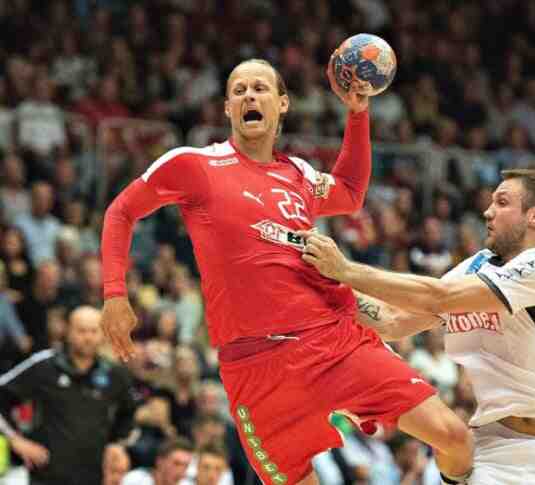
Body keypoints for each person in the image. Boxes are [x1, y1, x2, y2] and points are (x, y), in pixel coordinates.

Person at [100, 57, 474, 485]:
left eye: (259, 88)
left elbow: (350, 193)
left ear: (282, 104)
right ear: (227, 109)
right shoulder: (195, 164)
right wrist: (114, 294)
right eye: (238, 91)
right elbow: (121, 212)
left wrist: (357, 113)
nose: (249, 96)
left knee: (454, 436)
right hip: (255, 367)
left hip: (331, 342)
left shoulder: (298, 174)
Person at [300, 169, 535, 484]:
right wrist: (317, 286)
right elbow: (392, 321)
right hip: (493, 451)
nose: (488, 211)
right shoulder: (478, 265)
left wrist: (346, 270)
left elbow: (440, 296)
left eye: (502, 203)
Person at [0, 306, 137, 485]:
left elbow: (128, 412)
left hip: (93, 476)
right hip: (47, 475)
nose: (88, 337)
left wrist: (117, 444)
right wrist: (16, 441)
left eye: (94, 331)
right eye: (81, 331)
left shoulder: (115, 374)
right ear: (68, 332)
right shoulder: (45, 366)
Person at [121, 437, 194, 485]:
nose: (181, 471)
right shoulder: (135, 479)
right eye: (176, 464)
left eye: (186, 466)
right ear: (160, 462)